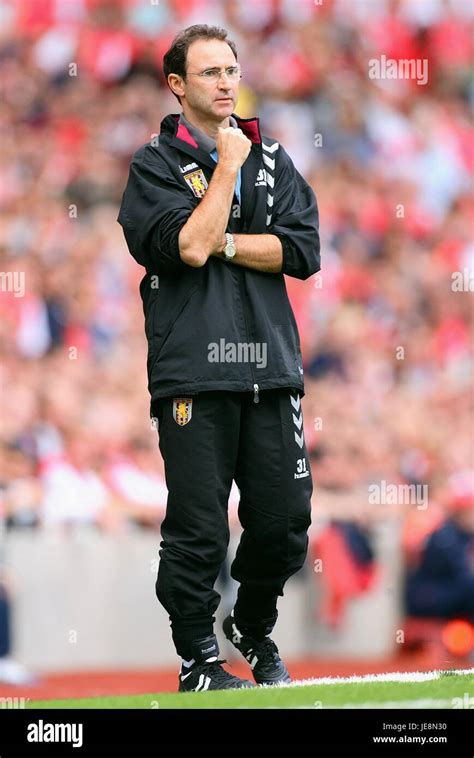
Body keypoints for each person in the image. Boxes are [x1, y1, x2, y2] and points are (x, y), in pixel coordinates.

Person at [118, 24, 320, 692]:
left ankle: (253, 625)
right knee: (199, 526)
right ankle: (198, 658)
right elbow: (187, 247)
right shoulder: (153, 164)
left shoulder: (276, 161)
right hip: (194, 375)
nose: (227, 82)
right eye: (210, 72)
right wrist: (226, 173)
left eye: (232, 69)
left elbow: (301, 251)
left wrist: (232, 240)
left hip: (272, 367)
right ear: (177, 85)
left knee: (287, 520)